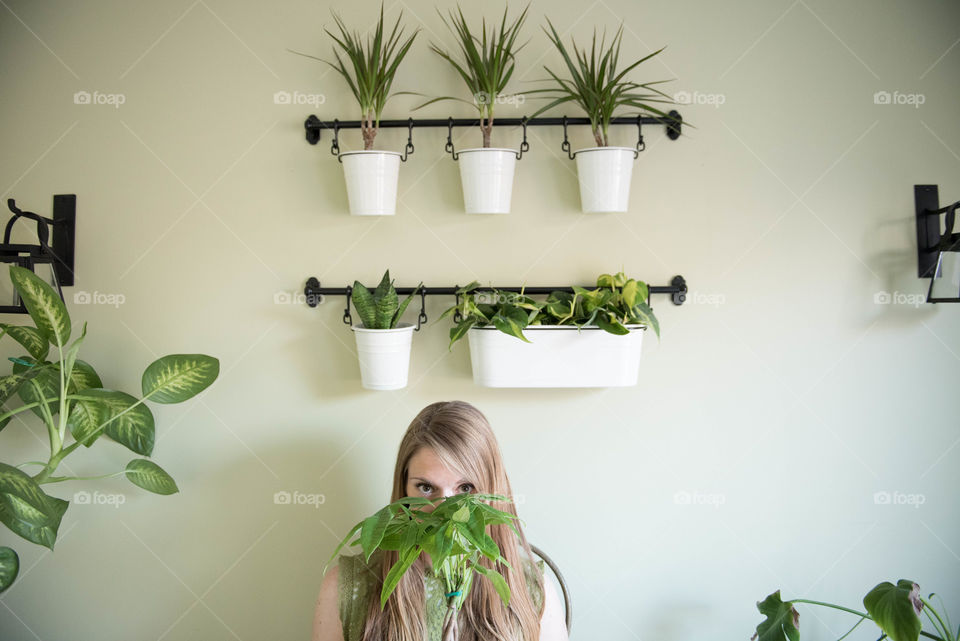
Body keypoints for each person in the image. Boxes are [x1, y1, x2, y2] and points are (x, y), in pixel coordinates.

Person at [312, 400, 570, 641]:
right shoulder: (346, 588)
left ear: (491, 491)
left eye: (465, 488)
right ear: (403, 489)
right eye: (425, 488)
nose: (443, 510)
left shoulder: (533, 592)